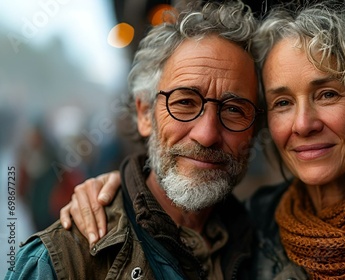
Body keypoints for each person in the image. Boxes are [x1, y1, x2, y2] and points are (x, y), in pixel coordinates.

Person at [60, 1, 345, 279]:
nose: (303, 123)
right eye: (283, 103)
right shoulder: (253, 226)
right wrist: (112, 192)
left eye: (327, 93)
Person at [6, 1, 261, 279]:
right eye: (185, 102)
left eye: (234, 109)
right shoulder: (60, 261)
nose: (207, 134)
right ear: (143, 114)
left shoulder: (269, 238)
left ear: (257, 127)